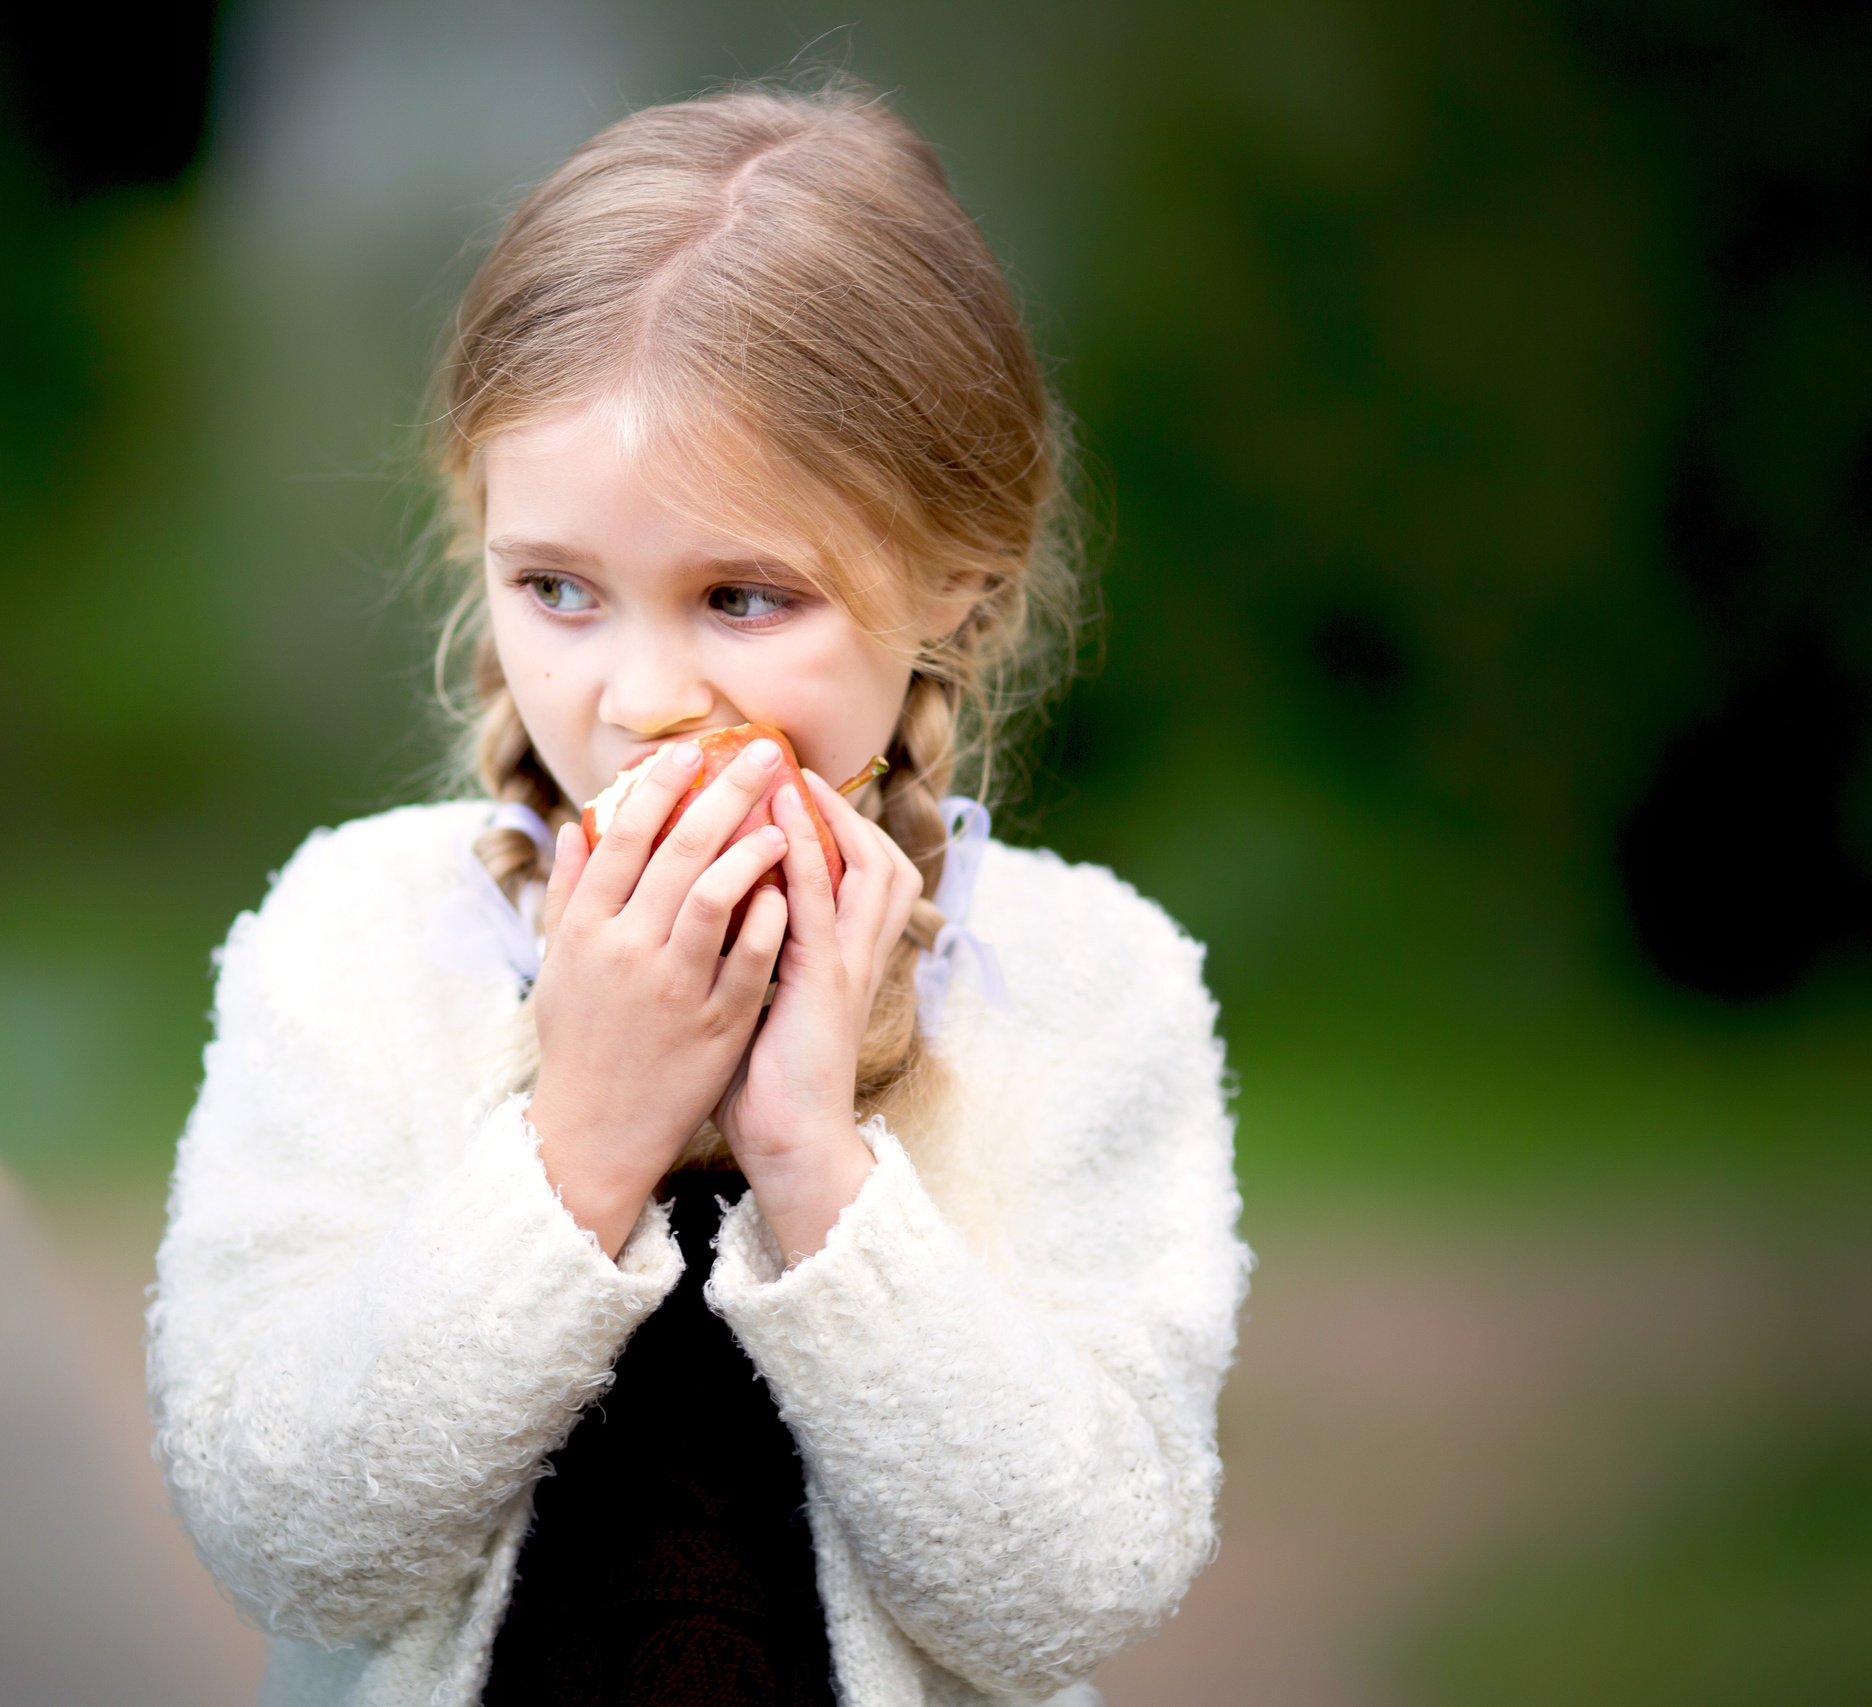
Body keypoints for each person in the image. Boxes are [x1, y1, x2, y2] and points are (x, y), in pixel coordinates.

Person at [148, 82, 1249, 1707]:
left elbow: (1071, 1595)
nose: (643, 698)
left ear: (954, 584)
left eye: (742, 596)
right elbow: (285, 1541)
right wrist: (580, 1140)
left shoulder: (1093, 989)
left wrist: (815, 1163)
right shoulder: (357, 942)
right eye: (558, 589)